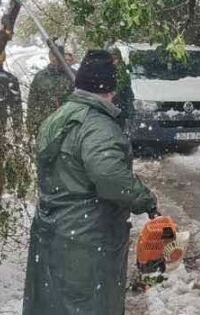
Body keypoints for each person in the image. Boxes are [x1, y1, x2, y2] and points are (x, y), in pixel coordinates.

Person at [23, 50, 157, 315]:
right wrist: (145, 199)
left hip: (52, 234)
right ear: (109, 88)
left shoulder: (56, 118)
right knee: (89, 306)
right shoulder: (98, 126)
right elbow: (110, 178)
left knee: (53, 305)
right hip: (87, 241)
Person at [26, 44, 74, 143]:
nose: (54, 58)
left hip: (67, 126)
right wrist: (31, 124)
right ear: (49, 56)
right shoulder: (40, 77)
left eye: (57, 55)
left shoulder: (72, 76)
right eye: (52, 55)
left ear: (62, 56)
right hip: (44, 125)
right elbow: (32, 102)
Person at [109, 46, 135, 123]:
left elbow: (120, 86)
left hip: (120, 103)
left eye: (115, 58)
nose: (113, 61)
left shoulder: (121, 70)